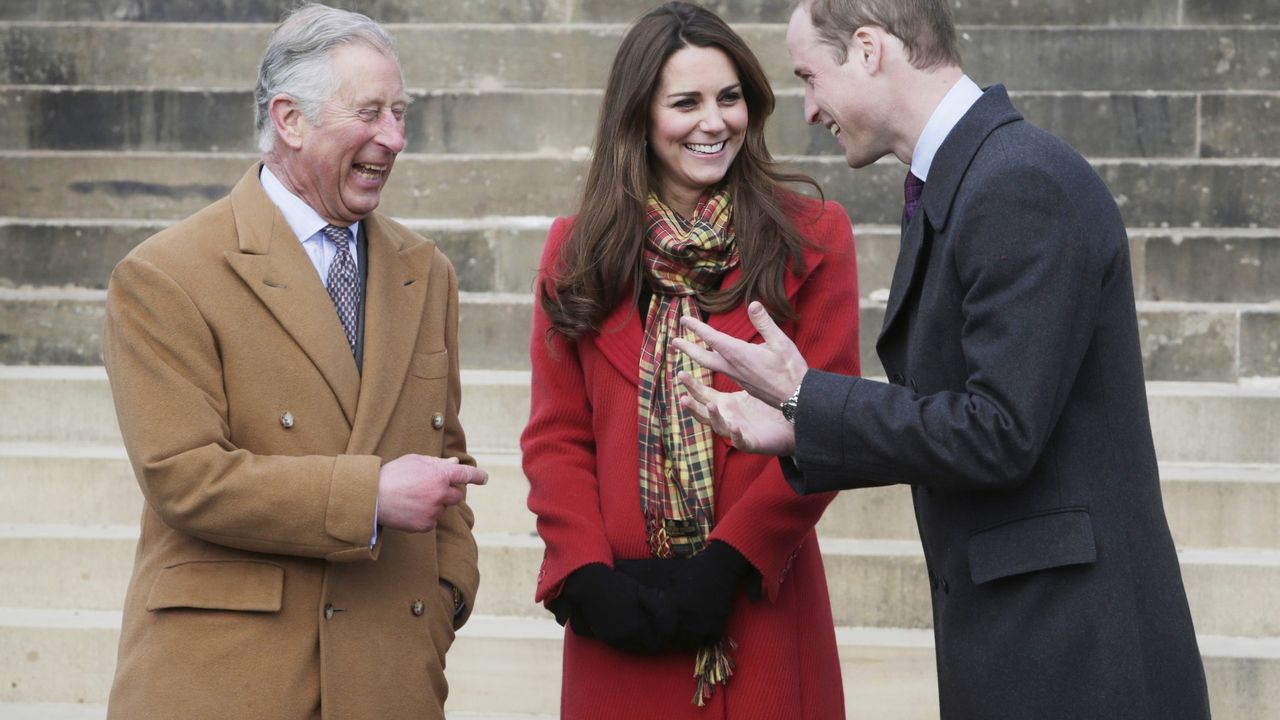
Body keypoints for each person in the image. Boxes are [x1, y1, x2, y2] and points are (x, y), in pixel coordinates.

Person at [672, 0, 1212, 717]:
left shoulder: (1018, 181)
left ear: (867, 50)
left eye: (809, 76)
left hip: (1074, 653)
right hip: (1027, 637)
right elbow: (958, 417)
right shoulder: (969, 177)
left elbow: (999, 431)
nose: (807, 109)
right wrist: (804, 429)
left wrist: (810, 396)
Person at [101, 4, 486, 718]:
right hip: (232, 679)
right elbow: (184, 476)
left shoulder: (426, 271)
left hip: (388, 675)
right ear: (290, 120)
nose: (394, 139)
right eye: (369, 113)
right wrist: (366, 498)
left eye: (400, 113)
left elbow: (445, 455)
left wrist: (445, 597)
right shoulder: (165, 273)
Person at [519, 2, 859, 717]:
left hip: (759, 605)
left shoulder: (816, 237)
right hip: (620, 619)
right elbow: (556, 437)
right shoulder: (574, 252)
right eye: (686, 103)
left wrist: (729, 562)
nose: (715, 122)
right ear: (640, 115)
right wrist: (583, 576)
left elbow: (831, 423)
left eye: (729, 98)